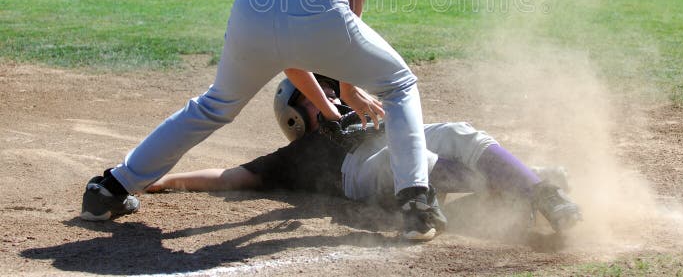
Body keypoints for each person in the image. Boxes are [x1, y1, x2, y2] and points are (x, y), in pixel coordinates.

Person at [80, 0, 447, 242]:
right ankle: (415, 204)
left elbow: (286, 48)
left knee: (214, 105)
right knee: (399, 85)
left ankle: (110, 189)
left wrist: (334, 96)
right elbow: (351, 10)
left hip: (251, 6)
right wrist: (347, 86)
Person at [146, 77, 583, 235]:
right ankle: (518, 189)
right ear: (296, 115)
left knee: (455, 132)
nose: (329, 94)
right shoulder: (296, 156)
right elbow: (228, 176)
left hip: (395, 138)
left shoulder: (359, 110)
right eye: (315, 94)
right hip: (363, 171)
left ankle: (541, 193)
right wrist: (167, 179)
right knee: (405, 159)